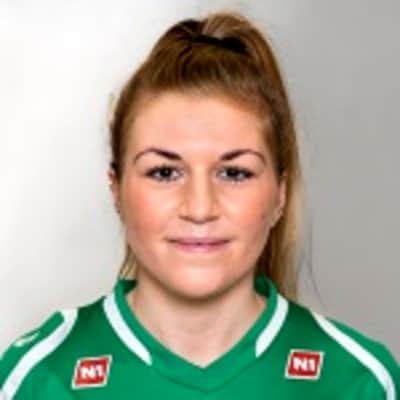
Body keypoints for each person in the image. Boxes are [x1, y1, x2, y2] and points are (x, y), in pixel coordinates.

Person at [0, 10, 399, 399]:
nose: (200, 208)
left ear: (280, 194)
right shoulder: (34, 380)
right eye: (164, 172)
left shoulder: (359, 383)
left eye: (234, 173)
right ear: (116, 189)